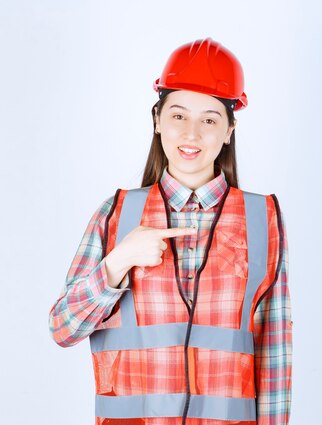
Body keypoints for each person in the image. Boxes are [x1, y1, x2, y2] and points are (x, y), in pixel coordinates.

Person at [48, 37, 293, 425]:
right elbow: (63, 329)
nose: (191, 133)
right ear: (157, 120)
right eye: (178, 115)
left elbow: (274, 354)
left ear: (229, 129)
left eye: (209, 119)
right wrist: (119, 261)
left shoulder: (261, 219)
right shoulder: (116, 214)